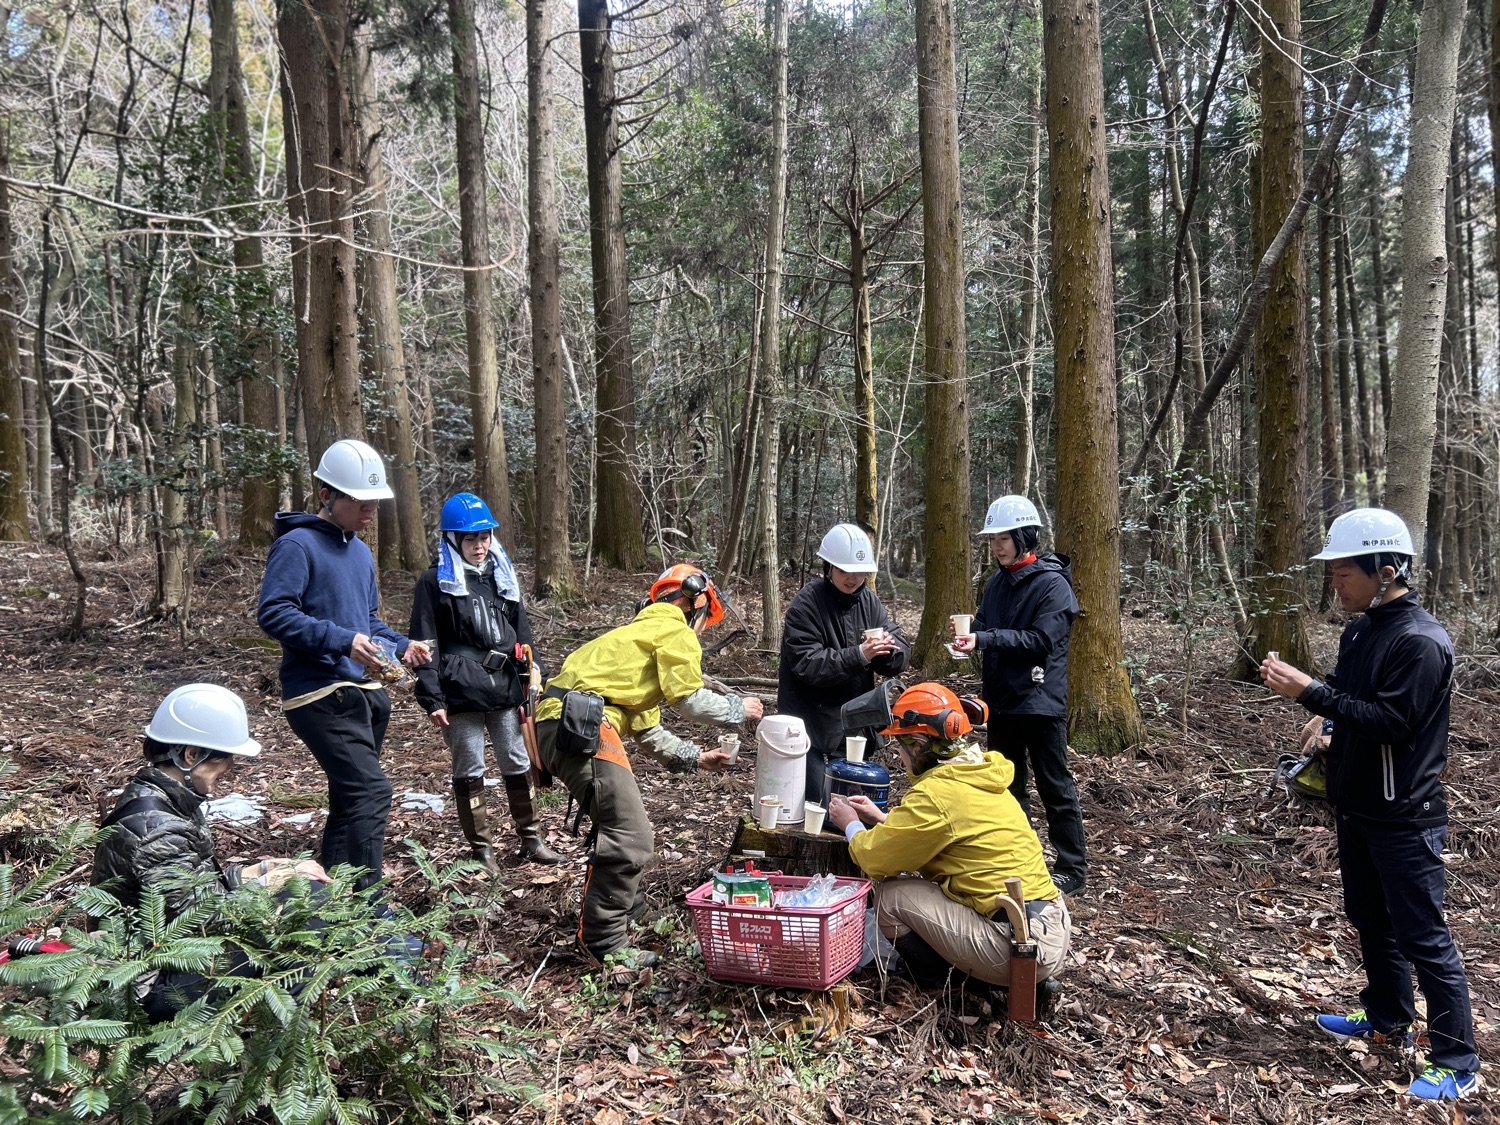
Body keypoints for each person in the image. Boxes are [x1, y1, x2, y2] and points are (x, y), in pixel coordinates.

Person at [1261, 508, 1480, 1102]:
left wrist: (1314, 693)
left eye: (1343, 574)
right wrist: (1322, 715)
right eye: (1331, 573)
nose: (1335, 584)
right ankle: (1387, 1017)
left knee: (1423, 936)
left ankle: (1457, 1059)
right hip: (1355, 805)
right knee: (1369, 918)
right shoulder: (1362, 629)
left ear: (1386, 570)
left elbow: (1393, 721)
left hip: (1405, 815)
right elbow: (1349, 695)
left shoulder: (1421, 641)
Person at [534, 564, 764, 965]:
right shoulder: (673, 629)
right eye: (704, 620)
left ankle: (632, 910)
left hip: (562, 725)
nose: (701, 630)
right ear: (693, 603)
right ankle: (603, 944)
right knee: (632, 835)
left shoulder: (632, 640)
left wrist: (698, 758)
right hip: (580, 725)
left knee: (624, 823)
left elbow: (649, 731)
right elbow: (689, 699)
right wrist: (736, 708)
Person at [257, 439, 432, 893]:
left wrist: (402, 645)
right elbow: (274, 612)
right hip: (318, 695)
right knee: (372, 792)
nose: (369, 511)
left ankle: (327, 903)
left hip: (364, 695)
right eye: (360, 501)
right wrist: (340, 640)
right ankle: (368, 905)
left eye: (375, 502)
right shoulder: (296, 545)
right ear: (325, 494)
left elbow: (368, 622)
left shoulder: (359, 551)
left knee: (350, 798)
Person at [93, 684, 328, 1019]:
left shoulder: (165, 802)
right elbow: (204, 920)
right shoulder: (156, 829)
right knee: (310, 901)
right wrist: (274, 883)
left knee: (303, 889)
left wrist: (260, 871)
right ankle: (285, 1035)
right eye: (224, 761)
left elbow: (190, 892)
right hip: (146, 987)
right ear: (191, 755)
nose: (228, 770)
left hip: (164, 957)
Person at [827, 682, 1070, 994]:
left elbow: (875, 859)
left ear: (917, 743)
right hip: (1047, 928)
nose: (900, 757)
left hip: (1017, 944)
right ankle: (993, 977)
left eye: (900, 748)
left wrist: (850, 825)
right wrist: (884, 819)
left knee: (891, 897)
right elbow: (955, 836)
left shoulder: (938, 794)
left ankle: (952, 986)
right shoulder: (978, 774)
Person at [409, 492, 560, 871]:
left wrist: (534, 672)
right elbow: (425, 640)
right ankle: (482, 851)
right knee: (470, 766)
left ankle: (531, 839)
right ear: (453, 540)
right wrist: (432, 696)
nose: (480, 546)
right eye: (471, 539)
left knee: (516, 758)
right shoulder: (433, 581)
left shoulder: (501, 575)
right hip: (460, 689)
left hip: (505, 684)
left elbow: (520, 629)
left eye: (484, 537)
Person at [951, 496, 1086, 896]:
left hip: (1041, 701)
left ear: (1025, 536)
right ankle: (1022, 859)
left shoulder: (1053, 585)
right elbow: (991, 625)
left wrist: (985, 637)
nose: (997, 545)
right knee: (1008, 785)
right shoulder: (997, 582)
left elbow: (1041, 639)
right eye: (993, 538)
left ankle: (1072, 869)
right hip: (1003, 700)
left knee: (1054, 784)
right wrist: (969, 632)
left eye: (1004, 537)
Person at [778, 523, 910, 802]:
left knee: (852, 807)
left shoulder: (869, 601)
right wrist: (860, 654)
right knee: (817, 806)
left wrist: (889, 651)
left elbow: (898, 648)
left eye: (860, 572)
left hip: (853, 724)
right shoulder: (806, 605)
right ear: (828, 567)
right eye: (844, 571)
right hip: (810, 728)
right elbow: (809, 665)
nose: (853, 579)